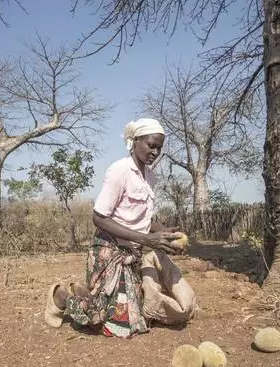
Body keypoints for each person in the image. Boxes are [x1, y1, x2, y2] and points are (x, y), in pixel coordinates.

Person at [44, 118, 197, 338]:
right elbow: (99, 217)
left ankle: (87, 293)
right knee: (111, 323)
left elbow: (143, 219)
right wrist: (147, 240)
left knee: (140, 317)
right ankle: (60, 296)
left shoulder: (150, 177)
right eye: (151, 145)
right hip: (108, 252)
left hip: (130, 254)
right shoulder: (120, 170)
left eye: (159, 148)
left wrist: (165, 233)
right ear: (135, 142)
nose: (155, 152)